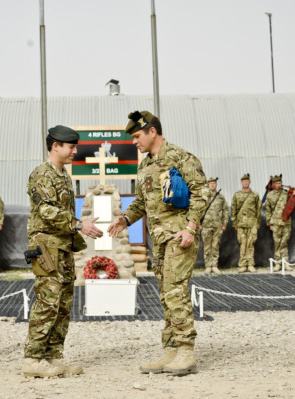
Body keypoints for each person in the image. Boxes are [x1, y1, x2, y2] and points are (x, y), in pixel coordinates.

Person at [108, 110, 208, 376]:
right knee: (165, 294)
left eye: (137, 136)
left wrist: (190, 227)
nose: (134, 142)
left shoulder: (180, 157)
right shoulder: (145, 166)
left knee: (175, 289)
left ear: (153, 131)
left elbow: (202, 192)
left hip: (180, 236)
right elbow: (142, 202)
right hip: (160, 240)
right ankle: (172, 349)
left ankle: (186, 350)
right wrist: (125, 219)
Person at [22, 125, 103, 378]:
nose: (75, 151)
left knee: (64, 304)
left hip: (63, 247)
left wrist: (78, 228)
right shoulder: (41, 175)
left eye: (75, 147)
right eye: (71, 147)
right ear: (55, 146)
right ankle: (33, 359)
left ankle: (54, 356)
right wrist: (79, 224)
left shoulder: (64, 176)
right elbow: (46, 212)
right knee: (47, 302)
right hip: (47, 249)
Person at [231, 174, 261, 273]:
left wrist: (257, 224)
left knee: (251, 244)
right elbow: (233, 209)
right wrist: (234, 223)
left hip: (252, 223)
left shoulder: (255, 195)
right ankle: (243, 264)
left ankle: (251, 264)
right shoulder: (236, 195)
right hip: (240, 224)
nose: (245, 183)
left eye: (247, 181)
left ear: (249, 182)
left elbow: (258, 210)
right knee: (243, 244)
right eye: (244, 181)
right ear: (241, 182)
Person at [264, 175, 294, 270]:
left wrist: (294, 194)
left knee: (284, 242)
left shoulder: (286, 193)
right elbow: (268, 210)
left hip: (286, 222)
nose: (278, 185)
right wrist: (269, 223)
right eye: (276, 183)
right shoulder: (270, 195)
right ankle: (278, 263)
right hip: (276, 222)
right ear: (273, 184)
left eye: (280, 183)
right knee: (277, 243)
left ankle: (285, 262)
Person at [200, 177, 228, 274]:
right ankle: (208, 266)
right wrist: (199, 224)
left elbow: (225, 211)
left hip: (217, 225)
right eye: (210, 183)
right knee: (207, 246)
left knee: (215, 246)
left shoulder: (221, 197)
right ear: (208, 185)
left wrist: (224, 224)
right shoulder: (203, 198)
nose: (212, 185)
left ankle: (214, 265)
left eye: (214, 183)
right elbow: (198, 211)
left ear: (216, 185)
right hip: (205, 225)